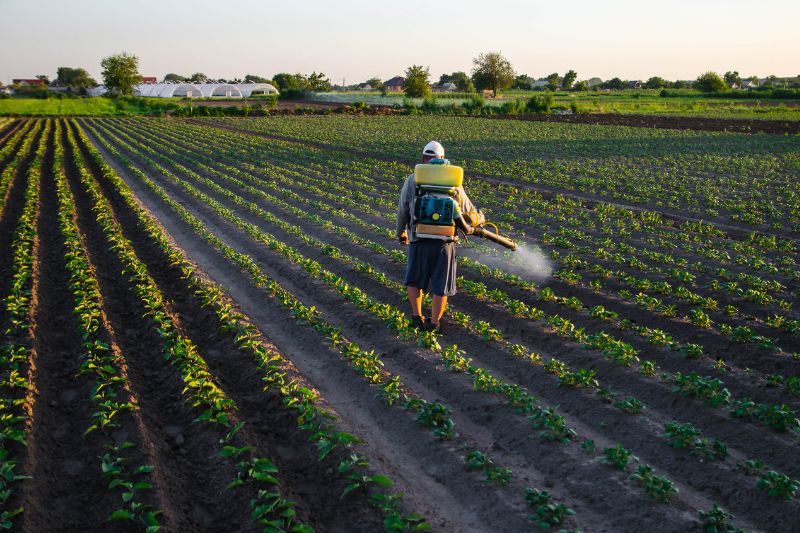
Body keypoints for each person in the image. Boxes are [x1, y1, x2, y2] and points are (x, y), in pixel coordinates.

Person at [396, 141, 478, 332]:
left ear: (423, 158)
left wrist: (400, 232)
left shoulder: (413, 179)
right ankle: (434, 323)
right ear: (443, 159)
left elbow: (403, 210)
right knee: (441, 285)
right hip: (445, 243)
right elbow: (468, 210)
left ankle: (417, 317)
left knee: (414, 280)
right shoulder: (453, 182)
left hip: (419, 239)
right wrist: (477, 218)